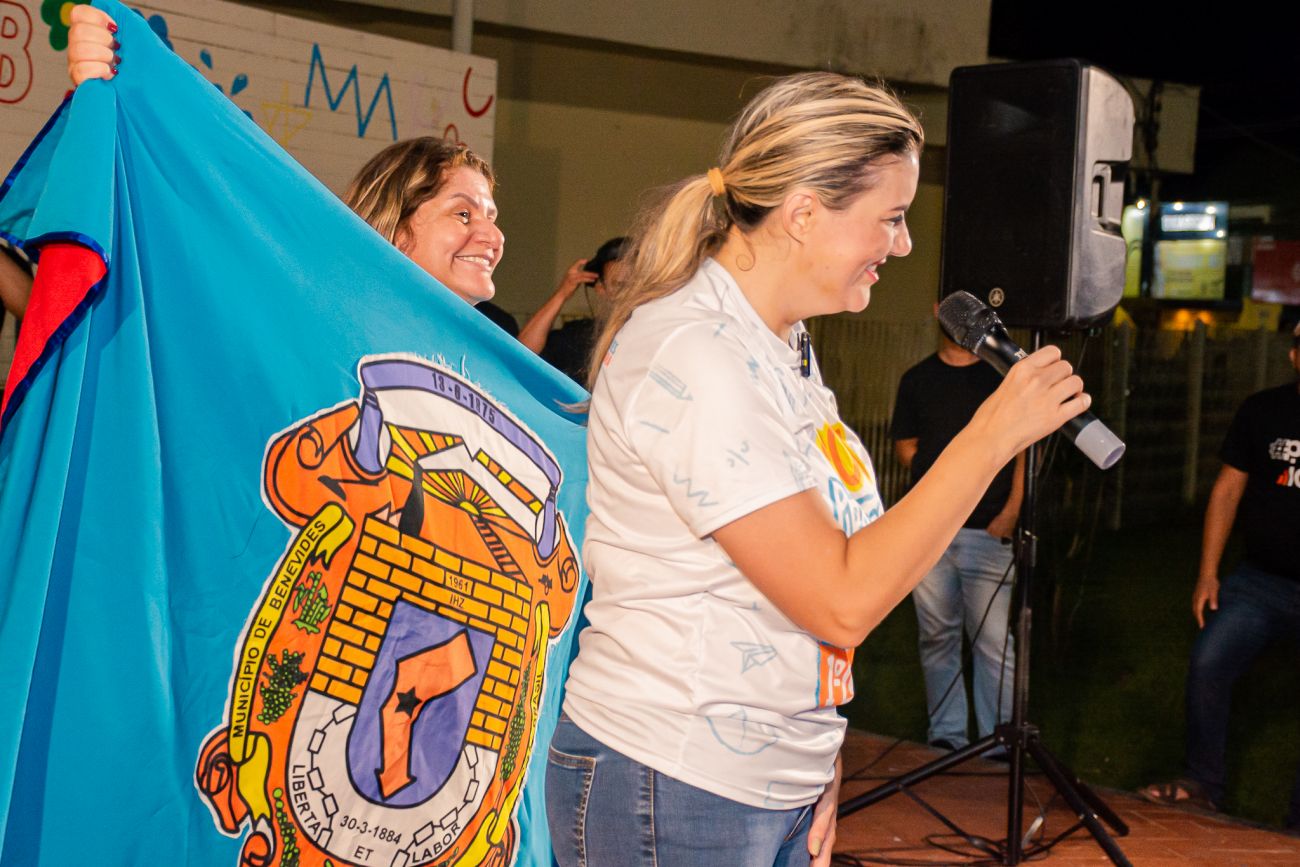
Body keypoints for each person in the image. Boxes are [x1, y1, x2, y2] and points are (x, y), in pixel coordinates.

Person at [548, 71, 1090, 867]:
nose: (903, 246)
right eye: (891, 218)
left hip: (765, 778)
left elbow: (812, 583)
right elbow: (840, 598)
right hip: (674, 778)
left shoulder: (781, 343)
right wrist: (990, 436)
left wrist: (815, 755)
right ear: (803, 213)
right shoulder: (695, 353)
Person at [1142, 324, 1300, 830]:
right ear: (1295, 355)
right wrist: (1208, 573)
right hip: (1261, 581)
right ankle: (1202, 785)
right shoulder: (1263, 410)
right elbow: (1228, 490)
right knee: (1210, 660)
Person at [892, 314, 1024, 753]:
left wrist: (1011, 511)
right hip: (930, 531)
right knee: (936, 637)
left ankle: (997, 743)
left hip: (987, 530)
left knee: (993, 642)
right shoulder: (917, 379)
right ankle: (947, 736)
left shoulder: (1000, 380)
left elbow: (1024, 451)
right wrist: (936, 482)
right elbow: (905, 444)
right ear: (937, 311)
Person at [519, 237, 627, 383]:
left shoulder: (655, 332)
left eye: (637, 283)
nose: (631, 291)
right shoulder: (580, 336)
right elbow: (523, 353)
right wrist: (562, 293)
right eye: (620, 285)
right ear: (601, 288)